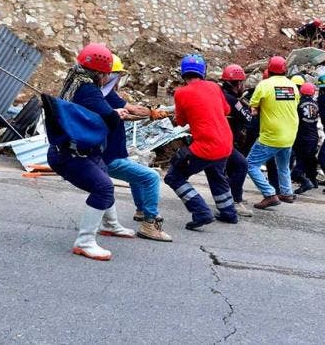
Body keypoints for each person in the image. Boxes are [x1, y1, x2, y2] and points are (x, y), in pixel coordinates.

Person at [47, 43, 135, 261]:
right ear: (100, 73)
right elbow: (109, 118)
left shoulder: (75, 81)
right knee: (103, 187)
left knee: (104, 178)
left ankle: (111, 224)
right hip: (70, 154)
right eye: (107, 74)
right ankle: (85, 241)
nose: (108, 78)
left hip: (80, 150)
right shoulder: (88, 90)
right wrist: (118, 114)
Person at [164, 54, 237, 230]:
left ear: (183, 72)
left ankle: (201, 212)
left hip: (206, 145)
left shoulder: (181, 93)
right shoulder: (214, 86)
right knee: (216, 173)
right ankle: (229, 212)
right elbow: (226, 109)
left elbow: (180, 121)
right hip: (226, 143)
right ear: (203, 71)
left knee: (173, 176)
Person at [103, 54, 172, 242]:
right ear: (110, 75)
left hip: (111, 155)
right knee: (151, 177)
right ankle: (150, 224)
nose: (119, 81)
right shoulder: (105, 94)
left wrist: (151, 116)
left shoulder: (102, 94)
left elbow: (126, 115)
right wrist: (151, 112)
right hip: (109, 158)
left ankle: (142, 210)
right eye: (118, 75)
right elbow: (132, 110)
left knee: (138, 175)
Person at [246, 56, 300, 209]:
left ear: (269, 70)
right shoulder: (293, 86)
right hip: (290, 134)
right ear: (285, 70)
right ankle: (287, 192)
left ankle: (269, 193)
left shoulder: (264, 85)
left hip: (272, 134)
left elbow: (254, 107)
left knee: (250, 164)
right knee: (282, 165)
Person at [219, 64, 254, 218]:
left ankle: (230, 197)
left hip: (218, 138)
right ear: (238, 83)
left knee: (227, 170)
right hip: (225, 140)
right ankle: (235, 201)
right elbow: (247, 117)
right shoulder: (233, 100)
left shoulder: (219, 94)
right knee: (241, 165)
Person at [291, 82, 320, 194]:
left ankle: (303, 181)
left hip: (302, 137)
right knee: (310, 160)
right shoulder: (316, 104)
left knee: (300, 161)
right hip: (314, 137)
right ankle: (313, 180)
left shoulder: (298, 104)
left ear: (301, 92)